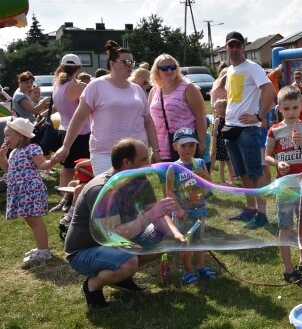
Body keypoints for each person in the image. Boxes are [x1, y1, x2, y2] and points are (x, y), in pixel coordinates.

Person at [64, 138, 183, 308]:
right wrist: (150, 215)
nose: (149, 164)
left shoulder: (140, 180)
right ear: (126, 162)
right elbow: (116, 233)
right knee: (129, 261)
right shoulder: (101, 189)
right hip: (84, 251)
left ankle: (122, 276)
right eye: (144, 159)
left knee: (164, 238)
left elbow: (158, 216)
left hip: (116, 242)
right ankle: (92, 286)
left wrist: (176, 235)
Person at [53, 41, 160, 174]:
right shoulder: (96, 86)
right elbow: (79, 118)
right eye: (126, 62)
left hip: (137, 155)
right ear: (112, 63)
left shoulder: (137, 90)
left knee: (139, 193)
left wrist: (156, 150)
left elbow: (148, 121)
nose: (130, 66)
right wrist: (65, 146)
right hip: (105, 154)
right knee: (110, 193)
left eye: (132, 62)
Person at [264, 85, 302, 285]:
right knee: (285, 226)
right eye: (286, 109)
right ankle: (288, 270)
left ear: (301, 106)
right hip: (285, 185)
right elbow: (267, 156)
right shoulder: (274, 130)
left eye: (295, 107)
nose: (291, 112)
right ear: (279, 108)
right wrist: (278, 163)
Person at [222, 31, 275, 228]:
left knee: (255, 172)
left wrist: (259, 116)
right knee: (243, 173)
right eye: (231, 46)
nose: (234, 49)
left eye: (237, 45)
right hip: (231, 128)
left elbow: (270, 91)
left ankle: (262, 214)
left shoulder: (253, 67)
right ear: (226, 48)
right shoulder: (230, 71)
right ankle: (250, 208)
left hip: (247, 129)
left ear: (244, 47)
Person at [0, 118, 58, 267]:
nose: (5, 138)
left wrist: (53, 161)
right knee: (30, 220)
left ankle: (44, 251)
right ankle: (41, 247)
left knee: (35, 220)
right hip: (20, 191)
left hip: (30, 190)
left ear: (20, 136)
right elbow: (9, 170)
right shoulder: (13, 153)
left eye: (8, 135)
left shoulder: (32, 148)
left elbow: (42, 164)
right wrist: (2, 156)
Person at [168, 127, 217, 285]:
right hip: (183, 213)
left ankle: (202, 267)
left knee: (199, 241)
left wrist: (205, 177)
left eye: (192, 145)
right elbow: (169, 192)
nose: (188, 149)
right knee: (187, 243)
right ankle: (188, 271)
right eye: (184, 146)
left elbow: (210, 186)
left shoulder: (200, 163)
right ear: (175, 146)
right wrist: (178, 209)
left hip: (200, 210)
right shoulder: (173, 168)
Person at [51, 54, 91, 212]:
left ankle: (64, 200)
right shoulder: (76, 86)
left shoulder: (57, 84)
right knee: (83, 168)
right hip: (80, 133)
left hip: (63, 130)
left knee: (66, 169)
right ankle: (75, 200)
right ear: (79, 68)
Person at [148, 54, 206, 162]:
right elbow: (150, 120)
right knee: (166, 178)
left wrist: (201, 143)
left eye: (173, 67)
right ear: (157, 71)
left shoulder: (188, 88)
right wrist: (154, 149)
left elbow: (200, 116)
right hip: (161, 149)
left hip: (184, 146)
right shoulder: (154, 91)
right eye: (164, 68)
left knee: (186, 178)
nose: (169, 71)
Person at [209, 99, 236, 184]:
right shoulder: (228, 119)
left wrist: (213, 137)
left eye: (216, 108)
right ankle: (231, 180)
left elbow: (215, 132)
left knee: (222, 163)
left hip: (220, 143)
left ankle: (224, 181)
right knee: (229, 163)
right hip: (227, 142)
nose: (214, 110)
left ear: (222, 108)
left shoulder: (218, 120)